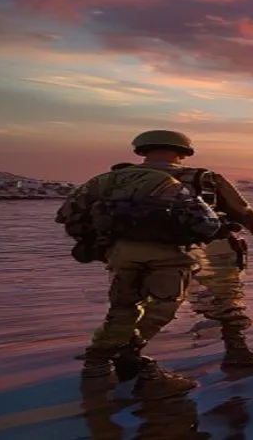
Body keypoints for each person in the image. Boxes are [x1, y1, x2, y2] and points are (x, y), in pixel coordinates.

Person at [57, 162, 226, 397]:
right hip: (166, 254)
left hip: (120, 254)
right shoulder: (164, 182)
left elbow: (66, 214)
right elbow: (206, 222)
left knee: (122, 308)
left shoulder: (99, 182)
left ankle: (96, 364)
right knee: (163, 306)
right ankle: (131, 357)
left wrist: (98, 242)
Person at [127, 130, 253, 367]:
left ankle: (122, 353)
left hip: (139, 249)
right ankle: (237, 352)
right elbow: (242, 212)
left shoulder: (118, 179)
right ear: (183, 152)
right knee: (227, 298)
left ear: (141, 150)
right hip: (208, 248)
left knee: (146, 305)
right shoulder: (205, 179)